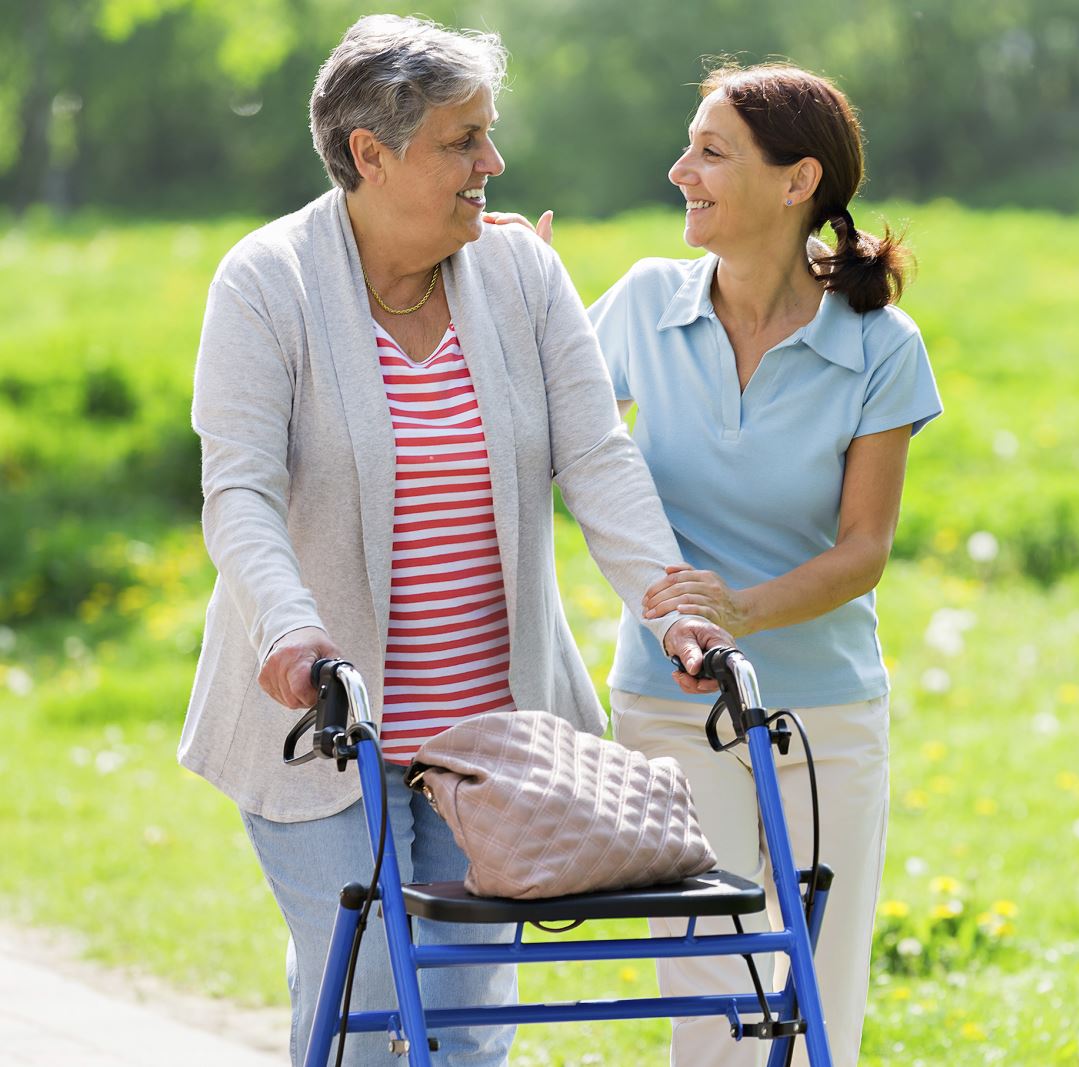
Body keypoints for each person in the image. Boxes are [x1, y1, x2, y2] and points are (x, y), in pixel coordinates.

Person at [178, 17, 733, 1066]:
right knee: (374, 989)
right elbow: (238, 493)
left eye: (489, 134)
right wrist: (292, 631)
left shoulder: (520, 273)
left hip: (493, 735)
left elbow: (599, 457)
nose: (494, 162)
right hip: (330, 724)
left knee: (471, 1010)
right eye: (461, 140)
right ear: (369, 154)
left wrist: (671, 602)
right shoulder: (266, 284)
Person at [491, 62, 941, 1066]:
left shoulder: (879, 343)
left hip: (825, 709)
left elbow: (863, 549)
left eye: (710, 151)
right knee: (712, 999)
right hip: (670, 699)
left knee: (819, 990)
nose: (678, 168)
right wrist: (525, 304)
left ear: (796, 182)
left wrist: (742, 609)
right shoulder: (647, 300)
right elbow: (554, 433)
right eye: (689, 145)